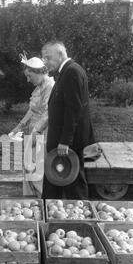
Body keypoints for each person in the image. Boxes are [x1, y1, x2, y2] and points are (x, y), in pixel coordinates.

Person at [41, 41, 95, 199]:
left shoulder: (72, 72)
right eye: (43, 58)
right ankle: (50, 214)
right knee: (55, 179)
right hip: (61, 140)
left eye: (48, 57)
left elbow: (74, 110)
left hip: (67, 142)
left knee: (74, 182)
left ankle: (82, 219)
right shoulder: (66, 71)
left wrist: (65, 141)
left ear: (60, 54)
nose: (45, 62)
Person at [9, 54, 55, 197]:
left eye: (30, 76)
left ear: (39, 72)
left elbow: (48, 112)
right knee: (29, 164)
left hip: (42, 130)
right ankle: (29, 196)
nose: (28, 80)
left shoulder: (50, 86)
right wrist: (20, 126)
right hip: (33, 129)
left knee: (36, 166)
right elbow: (32, 110)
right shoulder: (38, 87)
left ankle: (40, 198)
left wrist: (37, 132)